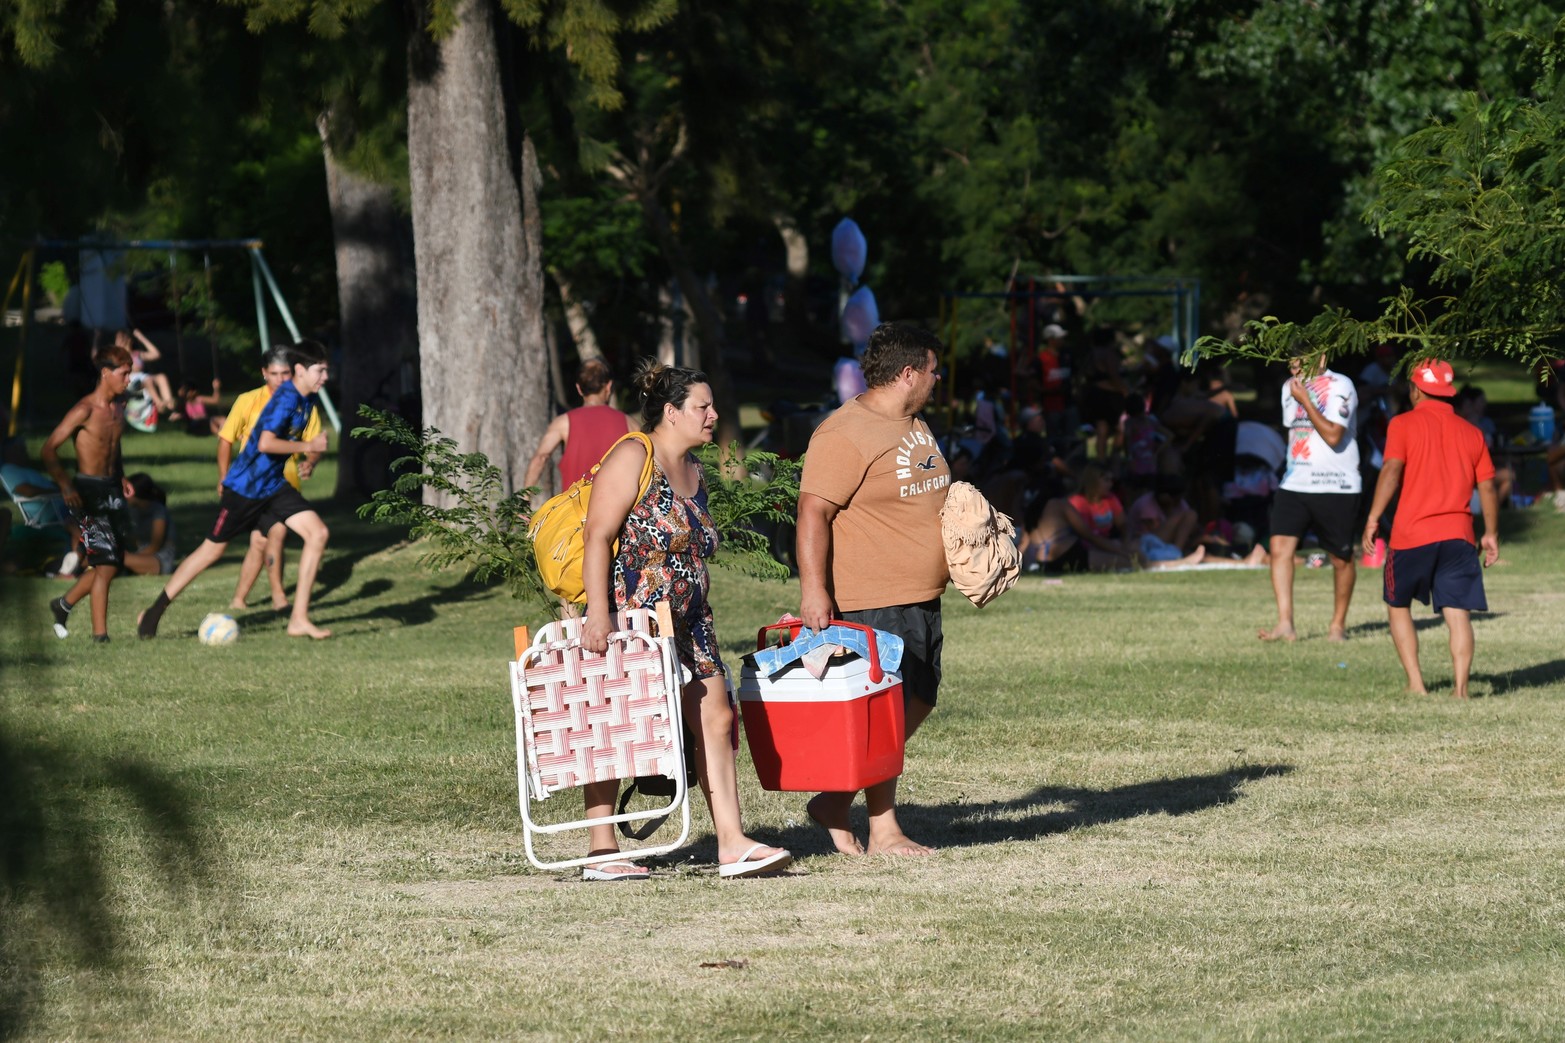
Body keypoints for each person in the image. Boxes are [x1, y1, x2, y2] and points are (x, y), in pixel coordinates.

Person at [578, 359, 790, 880]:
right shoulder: (634, 456)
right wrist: (600, 615)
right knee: (618, 725)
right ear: (671, 413)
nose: (714, 414)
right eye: (703, 406)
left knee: (717, 718)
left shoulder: (696, 471)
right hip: (633, 616)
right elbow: (597, 536)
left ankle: (732, 842)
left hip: (690, 619)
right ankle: (602, 850)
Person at [796, 322, 950, 857]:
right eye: (933, 370)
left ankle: (835, 799)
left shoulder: (912, 423)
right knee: (885, 711)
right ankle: (884, 829)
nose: (937, 379)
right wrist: (814, 590)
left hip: (919, 592)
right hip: (874, 595)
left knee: (920, 696)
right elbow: (813, 511)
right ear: (908, 373)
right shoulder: (845, 432)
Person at [138, 340, 333, 641]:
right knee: (211, 551)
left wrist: (310, 459)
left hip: (274, 486)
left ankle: (298, 619)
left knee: (317, 533)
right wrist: (308, 446)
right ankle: (155, 611)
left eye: (326, 370)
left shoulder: (306, 400)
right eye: (320, 370)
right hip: (246, 488)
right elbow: (266, 443)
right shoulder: (284, 400)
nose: (325, 377)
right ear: (301, 371)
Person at [1360, 360, 1498, 699]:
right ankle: (1461, 689)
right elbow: (1489, 488)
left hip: (1412, 534)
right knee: (1457, 611)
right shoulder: (1472, 432)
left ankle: (1417, 685)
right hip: (1459, 535)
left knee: (1398, 604)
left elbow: (1391, 470)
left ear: (1416, 389)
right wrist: (1490, 532)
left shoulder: (1402, 424)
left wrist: (1373, 516)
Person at [1259, 354, 1360, 643]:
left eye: (1300, 362)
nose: (1295, 369)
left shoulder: (1342, 385)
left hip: (1336, 484)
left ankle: (1337, 626)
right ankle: (1285, 623)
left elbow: (1332, 435)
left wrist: (1305, 399)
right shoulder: (1289, 386)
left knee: (1340, 558)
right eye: (1290, 363)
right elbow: (1295, 428)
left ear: (1321, 357)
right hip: (1296, 481)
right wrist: (1299, 395)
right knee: (1279, 549)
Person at [217, 348, 324, 612]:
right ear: (264, 373)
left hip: (282, 487)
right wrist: (223, 477)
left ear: (294, 372)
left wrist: (310, 462)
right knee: (273, 533)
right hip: (251, 484)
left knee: (261, 540)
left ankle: (239, 600)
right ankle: (279, 598)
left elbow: (314, 443)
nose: (279, 379)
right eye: (273, 374)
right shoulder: (248, 400)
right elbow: (226, 439)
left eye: (285, 373)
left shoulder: (304, 402)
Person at [41, 342, 135, 641]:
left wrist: (121, 476)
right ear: (106, 373)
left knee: (113, 562)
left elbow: (112, 446)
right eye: (124, 373)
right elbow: (48, 449)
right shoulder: (84, 409)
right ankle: (100, 636)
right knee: (105, 563)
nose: (129, 379)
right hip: (86, 491)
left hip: (111, 488)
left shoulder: (119, 407)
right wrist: (66, 484)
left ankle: (63, 604)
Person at [523, 357, 636, 494]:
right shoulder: (629, 423)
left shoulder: (563, 423)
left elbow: (540, 458)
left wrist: (525, 499)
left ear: (579, 389)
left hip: (574, 510)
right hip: (617, 510)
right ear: (609, 386)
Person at [122, 472, 178, 576]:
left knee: (118, 558)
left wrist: (134, 556)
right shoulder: (134, 511)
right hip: (143, 556)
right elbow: (135, 539)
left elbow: (155, 546)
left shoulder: (158, 511)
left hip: (160, 560)